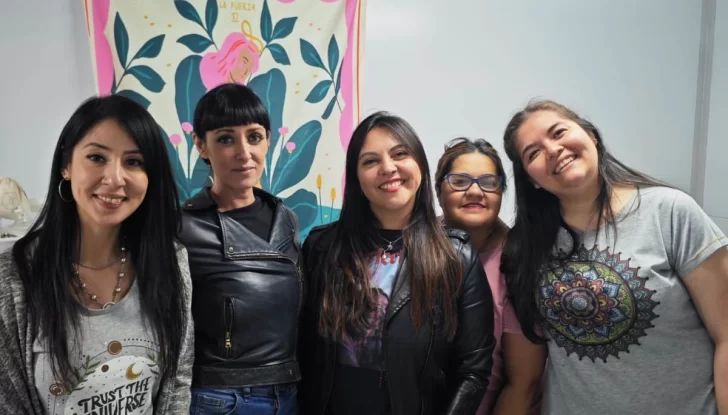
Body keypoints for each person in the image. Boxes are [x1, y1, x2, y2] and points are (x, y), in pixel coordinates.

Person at [501, 99, 728, 415]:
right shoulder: (527, 247)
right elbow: (526, 376)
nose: (552, 150)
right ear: (531, 179)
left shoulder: (669, 212)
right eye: (533, 153)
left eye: (559, 132)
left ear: (591, 135)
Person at [0, 95, 194, 414]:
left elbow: (178, 382)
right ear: (66, 165)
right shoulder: (14, 276)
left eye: (134, 162)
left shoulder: (170, 261)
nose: (115, 178)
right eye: (96, 157)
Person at [299, 111, 496, 415]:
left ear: (420, 165)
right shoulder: (322, 247)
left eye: (400, 154)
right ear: (356, 178)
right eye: (370, 161)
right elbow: (301, 349)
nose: (388, 168)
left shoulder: (456, 255)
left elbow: (474, 370)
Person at [179, 83, 301, 414]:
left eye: (254, 137)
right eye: (225, 139)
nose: (244, 152)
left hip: (289, 392)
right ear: (201, 145)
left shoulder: (286, 218)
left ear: (268, 141)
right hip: (221, 398)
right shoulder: (183, 227)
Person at [435, 137, 544, 415]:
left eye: (489, 182)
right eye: (459, 181)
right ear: (438, 191)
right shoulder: (413, 244)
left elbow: (523, 385)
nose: (475, 191)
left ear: (501, 192)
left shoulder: (519, 264)